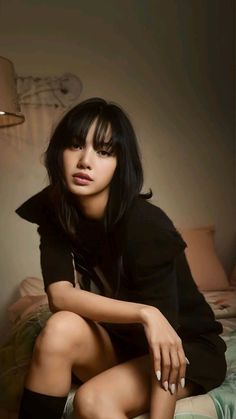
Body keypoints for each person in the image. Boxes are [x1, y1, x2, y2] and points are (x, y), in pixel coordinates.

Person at [16, 98, 226, 419]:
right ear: (59, 152)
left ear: (120, 163)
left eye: (103, 151)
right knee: (60, 327)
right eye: (75, 145)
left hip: (186, 348)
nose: (85, 161)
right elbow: (60, 296)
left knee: (92, 400)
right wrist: (146, 313)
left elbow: (167, 346)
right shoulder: (54, 209)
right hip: (125, 341)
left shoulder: (145, 224)